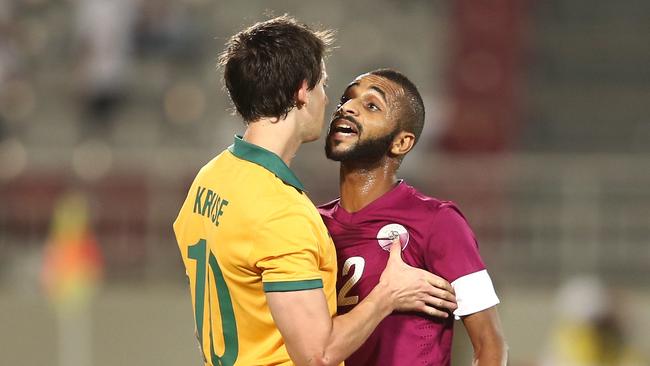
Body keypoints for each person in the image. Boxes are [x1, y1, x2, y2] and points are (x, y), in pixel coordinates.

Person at [173, 16, 457, 366]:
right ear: (302, 91)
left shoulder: (210, 179)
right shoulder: (280, 213)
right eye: (322, 85)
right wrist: (388, 292)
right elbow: (317, 354)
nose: (329, 100)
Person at [319, 68, 508, 366]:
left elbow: (490, 344)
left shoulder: (438, 221)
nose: (347, 107)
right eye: (346, 98)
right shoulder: (312, 224)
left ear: (401, 143)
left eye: (371, 106)